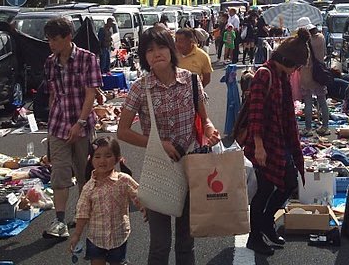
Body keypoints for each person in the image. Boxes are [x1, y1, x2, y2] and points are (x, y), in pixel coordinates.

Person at [117, 27, 220, 265]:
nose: (156, 54)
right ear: (144, 57)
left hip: (190, 167)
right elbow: (122, 131)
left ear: (171, 50)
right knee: (160, 245)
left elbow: (204, 119)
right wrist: (157, 144)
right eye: (149, 50)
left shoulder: (192, 80)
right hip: (158, 168)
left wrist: (210, 130)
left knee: (186, 243)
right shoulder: (140, 87)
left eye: (161, 47)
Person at [243, 28, 309, 256]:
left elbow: (286, 114)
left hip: (278, 142)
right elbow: (255, 114)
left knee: (288, 182)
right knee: (264, 189)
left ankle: (266, 224)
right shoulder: (265, 74)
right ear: (288, 60)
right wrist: (259, 145)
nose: (297, 71)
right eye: (297, 66)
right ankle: (254, 236)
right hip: (262, 143)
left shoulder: (281, 76)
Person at [43, 17, 105, 239]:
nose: (51, 43)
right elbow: (53, 94)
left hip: (83, 124)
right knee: (59, 172)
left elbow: (91, 94)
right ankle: (59, 220)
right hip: (58, 124)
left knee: (84, 174)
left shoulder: (88, 59)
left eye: (55, 39)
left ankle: (83, 217)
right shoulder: (50, 62)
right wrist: (50, 119)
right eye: (49, 39)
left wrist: (79, 123)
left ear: (68, 37)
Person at [70, 136, 144, 265]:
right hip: (96, 237)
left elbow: (138, 196)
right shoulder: (89, 187)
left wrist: (144, 208)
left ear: (117, 158)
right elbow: (82, 213)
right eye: (97, 156)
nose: (102, 161)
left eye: (108, 156)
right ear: (90, 159)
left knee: (117, 262)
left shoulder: (123, 180)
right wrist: (77, 234)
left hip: (119, 235)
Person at [297, 17, 331, 137]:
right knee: (322, 100)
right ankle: (325, 126)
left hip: (307, 73)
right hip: (320, 73)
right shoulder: (321, 38)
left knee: (308, 101)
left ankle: (308, 128)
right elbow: (324, 54)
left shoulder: (304, 41)